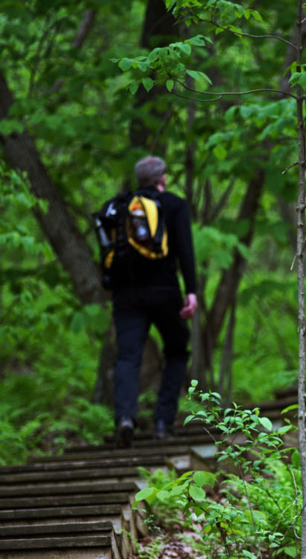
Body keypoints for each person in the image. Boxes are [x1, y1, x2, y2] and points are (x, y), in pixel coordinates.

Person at [111, 155, 198, 447]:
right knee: (176, 348)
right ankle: (162, 422)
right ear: (162, 179)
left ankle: (125, 418)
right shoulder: (173, 204)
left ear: (139, 180)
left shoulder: (121, 206)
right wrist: (192, 291)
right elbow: (185, 249)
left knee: (127, 357)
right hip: (164, 290)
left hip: (126, 293)